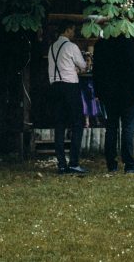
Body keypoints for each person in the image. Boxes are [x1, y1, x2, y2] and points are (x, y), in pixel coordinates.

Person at [93, 31, 134, 174]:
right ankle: (129, 164)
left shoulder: (100, 45)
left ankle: (111, 164)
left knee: (111, 128)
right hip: (127, 91)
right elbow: (133, 68)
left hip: (108, 92)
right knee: (128, 128)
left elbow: (96, 70)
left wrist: (98, 92)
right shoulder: (128, 43)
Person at [47, 20, 88, 174]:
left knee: (59, 125)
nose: (73, 33)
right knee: (77, 123)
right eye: (72, 30)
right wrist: (85, 63)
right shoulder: (71, 46)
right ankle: (74, 162)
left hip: (55, 86)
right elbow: (83, 66)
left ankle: (61, 164)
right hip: (70, 86)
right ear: (68, 30)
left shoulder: (52, 47)